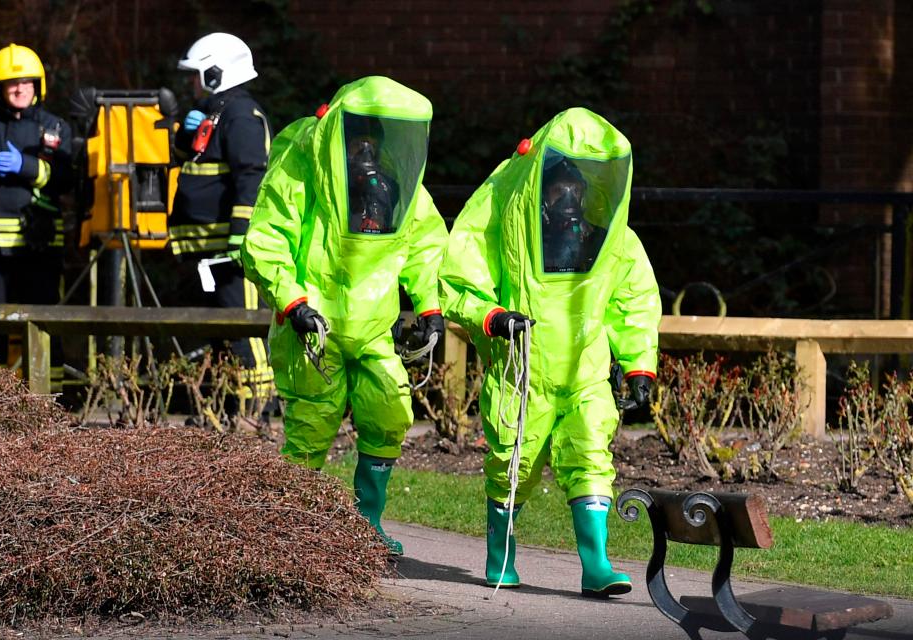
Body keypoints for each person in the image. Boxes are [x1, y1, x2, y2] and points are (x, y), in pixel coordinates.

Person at [438, 108, 660, 597]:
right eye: (558, 188)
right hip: (522, 370)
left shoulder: (609, 239)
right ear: (538, 185)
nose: (568, 199)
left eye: (576, 188)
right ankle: (501, 558)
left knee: (590, 455)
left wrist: (640, 363)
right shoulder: (502, 214)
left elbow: (634, 300)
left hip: (585, 372)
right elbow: (458, 279)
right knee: (510, 464)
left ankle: (597, 564)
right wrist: (494, 317)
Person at [241, 76, 448, 554]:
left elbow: (422, 244)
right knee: (312, 426)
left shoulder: (397, 183)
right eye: (357, 143)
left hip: (374, 326)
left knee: (389, 412)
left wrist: (430, 305)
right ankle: (289, 532)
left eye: (373, 143)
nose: (367, 155)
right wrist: (293, 302)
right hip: (314, 325)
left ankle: (365, 526)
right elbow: (267, 239)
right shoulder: (303, 166)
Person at [0, 43, 71, 388]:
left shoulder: (55, 127)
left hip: (41, 247)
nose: (19, 89)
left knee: (47, 326)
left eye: (26, 82)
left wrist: (29, 167)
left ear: (38, 85)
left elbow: (67, 178)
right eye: (11, 83)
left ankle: (53, 407)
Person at [170, 32, 275, 413]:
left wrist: (240, 238)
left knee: (242, 330)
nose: (190, 84)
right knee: (217, 334)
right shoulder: (217, 113)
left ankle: (255, 413)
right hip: (205, 250)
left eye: (196, 75)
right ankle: (221, 410)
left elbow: (252, 181)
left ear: (216, 73)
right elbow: (194, 160)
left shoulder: (242, 118)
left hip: (230, 253)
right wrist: (185, 136)